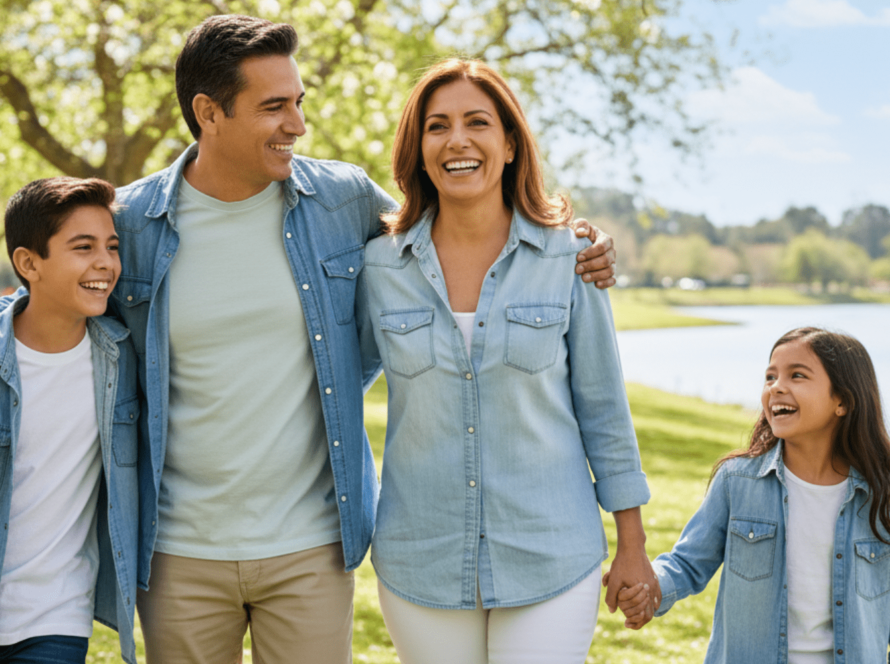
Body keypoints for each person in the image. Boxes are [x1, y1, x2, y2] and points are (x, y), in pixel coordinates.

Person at [109, 15, 617, 664]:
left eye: (299, 103)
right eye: (274, 107)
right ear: (209, 112)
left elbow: (452, 222)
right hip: (178, 550)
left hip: (312, 546)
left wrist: (573, 242)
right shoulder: (130, 224)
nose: (297, 124)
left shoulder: (340, 199)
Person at [355, 59, 655, 664]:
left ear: (511, 142)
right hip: (421, 558)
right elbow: (337, 386)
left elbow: (604, 410)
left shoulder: (568, 259)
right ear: (418, 149)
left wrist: (633, 543)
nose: (457, 140)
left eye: (477, 122)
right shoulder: (378, 269)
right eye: (437, 126)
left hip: (551, 552)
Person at [615, 327, 890, 662]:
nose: (776, 387)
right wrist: (651, 589)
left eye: (797, 375)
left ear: (842, 401)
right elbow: (688, 562)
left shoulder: (881, 494)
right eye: (770, 376)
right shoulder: (737, 481)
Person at [0, 178, 142, 664]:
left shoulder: (122, 360)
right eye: (83, 248)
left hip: (54, 616)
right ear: (28, 263)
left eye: (112, 246)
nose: (105, 263)